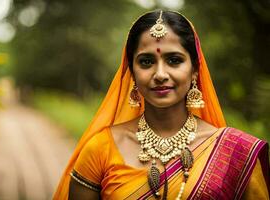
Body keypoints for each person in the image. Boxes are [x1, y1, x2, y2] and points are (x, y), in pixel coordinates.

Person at [54, 10, 269, 200]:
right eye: (146, 61)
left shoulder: (235, 153)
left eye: (174, 60)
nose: (160, 75)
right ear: (132, 71)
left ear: (195, 69)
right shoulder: (101, 149)